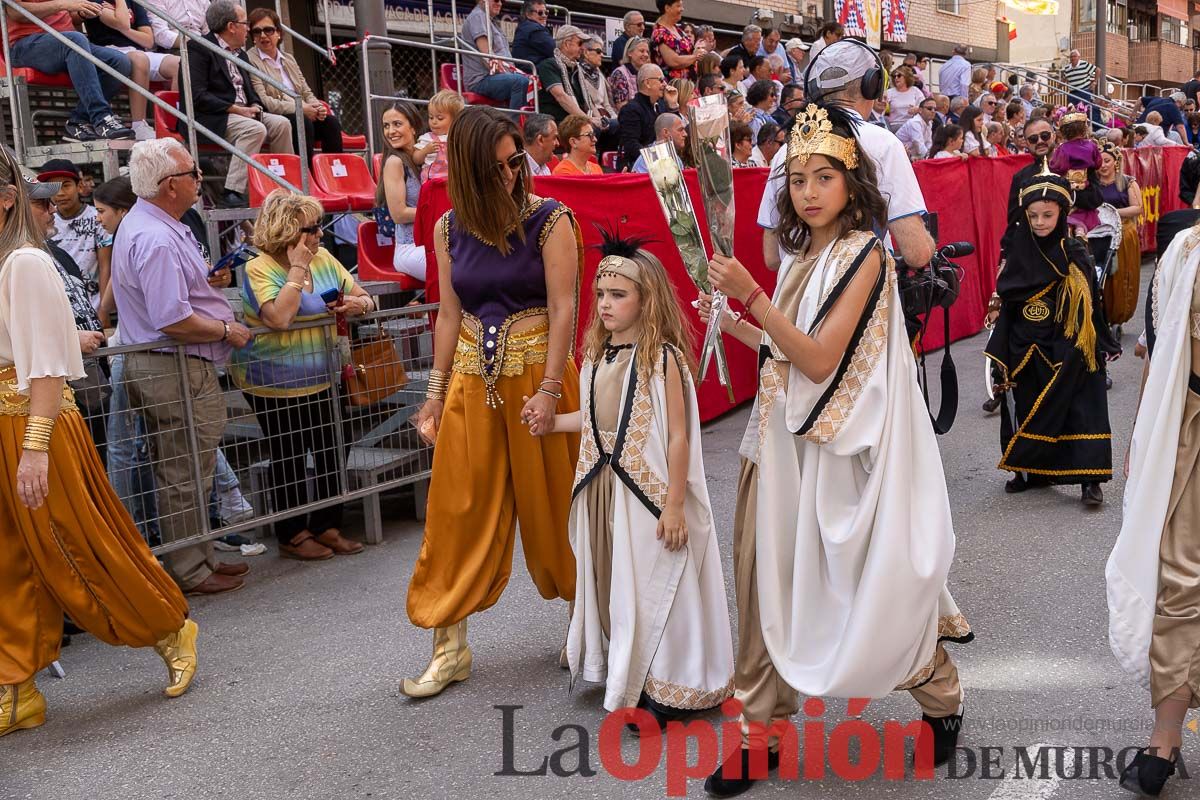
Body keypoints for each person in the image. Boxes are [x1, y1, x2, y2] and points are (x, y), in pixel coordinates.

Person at [701, 104, 969, 796]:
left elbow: (819, 362)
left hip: (839, 454)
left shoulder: (865, 255)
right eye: (796, 179)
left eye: (824, 176)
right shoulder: (807, 255)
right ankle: (760, 736)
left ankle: (939, 693)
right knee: (760, 590)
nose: (809, 192)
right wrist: (726, 319)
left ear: (854, 183)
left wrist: (752, 297)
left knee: (861, 593)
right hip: (775, 447)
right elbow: (780, 352)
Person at [0, 145, 199, 739]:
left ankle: (168, 627)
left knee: (78, 546)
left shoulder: (24, 264)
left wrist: (35, 445)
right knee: (6, 560)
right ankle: (16, 685)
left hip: (33, 423)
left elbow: (46, 366)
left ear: (7, 196)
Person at [402, 107, 582, 698]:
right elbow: (449, 314)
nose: (510, 175)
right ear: (468, 170)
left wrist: (553, 388)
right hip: (471, 383)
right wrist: (432, 395)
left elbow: (564, 309)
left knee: (559, 502)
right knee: (455, 507)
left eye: (514, 163)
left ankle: (588, 621)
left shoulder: (552, 220)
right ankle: (448, 642)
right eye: (496, 167)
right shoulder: (449, 228)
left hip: (539, 378)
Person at [538, 230, 734, 728]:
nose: (605, 304)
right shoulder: (598, 357)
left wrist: (673, 505)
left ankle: (670, 685)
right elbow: (596, 421)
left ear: (647, 301)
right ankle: (631, 676)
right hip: (605, 488)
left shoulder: (661, 357)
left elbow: (676, 437)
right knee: (616, 582)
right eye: (601, 295)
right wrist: (551, 422)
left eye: (618, 295)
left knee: (654, 581)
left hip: (648, 494)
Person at [111, 138, 254, 596]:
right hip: (169, 365)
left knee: (189, 467)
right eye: (194, 172)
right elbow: (173, 319)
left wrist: (205, 284)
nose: (200, 179)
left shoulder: (155, 225)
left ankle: (200, 555)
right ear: (170, 185)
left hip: (169, 364)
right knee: (182, 470)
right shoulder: (154, 236)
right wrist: (226, 330)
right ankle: (190, 568)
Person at [1107, 215, 1200, 799]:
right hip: (1191, 430)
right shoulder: (1185, 249)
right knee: (1180, 583)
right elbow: (1160, 353)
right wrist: (1145, 439)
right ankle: (1165, 738)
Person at [231, 190, 373, 561]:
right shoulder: (257, 268)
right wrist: (296, 270)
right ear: (288, 231)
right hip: (274, 384)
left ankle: (327, 524)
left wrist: (355, 303)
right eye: (312, 229)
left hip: (325, 376)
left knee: (333, 449)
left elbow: (365, 297)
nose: (320, 236)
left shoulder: (324, 259)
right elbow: (278, 318)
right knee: (289, 455)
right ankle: (292, 533)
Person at [985, 166, 1118, 506]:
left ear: (1061, 213)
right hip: (1026, 343)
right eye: (1033, 216)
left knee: (1081, 405)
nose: (1040, 221)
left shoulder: (1074, 254)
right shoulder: (1018, 252)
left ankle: (1090, 479)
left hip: (1069, 344)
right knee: (1027, 401)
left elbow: (1090, 307)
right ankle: (1028, 470)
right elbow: (1010, 300)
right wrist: (1003, 351)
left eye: (1047, 214)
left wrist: (1093, 342)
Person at [759, 40, 934, 272]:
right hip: (864, 298)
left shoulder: (786, 150)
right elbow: (916, 252)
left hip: (793, 299)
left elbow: (772, 257)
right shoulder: (884, 144)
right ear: (872, 85)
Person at [185, 0, 294, 209]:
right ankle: (232, 191)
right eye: (246, 23)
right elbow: (197, 96)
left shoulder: (240, 53)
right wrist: (236, 109)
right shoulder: (199, 48)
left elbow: (251, 92)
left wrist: (254, 105)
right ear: (231, 26)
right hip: (213, 115)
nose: (249, 29)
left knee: (282, 124)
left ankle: (280, 186)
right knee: (254, 129)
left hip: (242, 113)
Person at [7, 0, 135, 141]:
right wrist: (64, 4)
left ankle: (78, 121)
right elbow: (15, 12)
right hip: (26, 45)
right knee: (75, 40)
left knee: (120, 61)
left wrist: (82, 13)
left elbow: (65, 14)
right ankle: (101, 117)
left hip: (66, 42)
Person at [245, 8, 343, 166]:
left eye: (268, 30)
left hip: (302, 111)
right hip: (277, 116)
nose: (263, 35)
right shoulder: (250, 59)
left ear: (278, 33)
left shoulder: (288, 59)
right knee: (302, 122)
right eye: (257, 32)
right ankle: (306, 177)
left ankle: (333, 177)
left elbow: (305, 90)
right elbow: (264, 101)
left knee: (331, 123)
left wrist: (317, 107)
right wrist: (300, 108)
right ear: (253, 37)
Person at [84, 0, 180, 141]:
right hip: (109, 52)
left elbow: (148, 40)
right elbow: (123, 23)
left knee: (179, 64)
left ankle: (172, 123)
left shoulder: (134, 2)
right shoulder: (96, 1)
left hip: (137, 51)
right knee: (140, 59)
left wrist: (123, 26)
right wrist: (123, 20)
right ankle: (138, 125)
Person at [35, 159, 112, 321]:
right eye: (52, 188)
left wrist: (103, 312)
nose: (60, 193)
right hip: (58, 309)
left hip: (92, 307)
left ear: (79, 186)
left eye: (66, 185)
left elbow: (106, 266)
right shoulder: (44, 220)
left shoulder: (96, 218)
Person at [373, 102, 427, 280]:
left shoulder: (429, 158)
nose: (390, 131)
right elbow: (399, 214)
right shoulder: (394, 162)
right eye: (386, 126)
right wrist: (438, 212)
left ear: (413, 127)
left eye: (397, 124)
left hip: (436, 242)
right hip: (409, 248)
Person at [1095, 140, 1143, 330]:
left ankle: (1118, 315)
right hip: (1098, 233)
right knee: (1100, 274)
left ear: (1116, 162)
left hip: (1122, 232)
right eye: (1100, 161)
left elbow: (1137, 207)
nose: (1103, 165)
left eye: (1107, 161)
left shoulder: (1127, 182)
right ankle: (1101, 313)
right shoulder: (1092, 183)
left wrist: (1112, 212)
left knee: (1120, 276)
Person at [461, 0, 531, 111]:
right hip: (481, 79)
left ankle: (527, 122)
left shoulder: (491, 20)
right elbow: (488, 58)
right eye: (496, 0)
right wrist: (512, 75)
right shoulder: (478, 16)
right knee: (520, 82)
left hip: (494, 76)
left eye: (502, 1)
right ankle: (515, 124)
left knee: (533, 82)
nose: (500, 4)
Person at [618, 64, 668, 171]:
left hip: (663, 166)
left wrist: (673, 106)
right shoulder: (630, 110)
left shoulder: (662, 106)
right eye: (661, 80)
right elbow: (631, 145)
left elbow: (673, 133)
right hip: (640, 169)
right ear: (647, 83)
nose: (665, 84)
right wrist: (656, 160)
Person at [535, 25, 588, 123]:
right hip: (557, 122)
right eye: (580, 43)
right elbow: (561, 96)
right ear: (567, 44)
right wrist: (587, 120)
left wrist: (599, 120)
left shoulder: (577, 69)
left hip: (576, 120)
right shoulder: (549, 65)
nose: (583, 48)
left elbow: (588, 101)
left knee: (612, 126)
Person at [576, 35, 618, 149]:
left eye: (602, 52)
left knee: (620, 125)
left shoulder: (600, 75)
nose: (602, 55)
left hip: (604, 114)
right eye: (598, 51)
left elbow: (606, 104)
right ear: (586, 53)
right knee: (595, 128)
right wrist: (599, 119)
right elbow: (586, 102)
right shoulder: (577, 73)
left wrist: (615, 118)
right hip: (588, 115)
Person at [413, 90, 464, 184]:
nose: (434, 122)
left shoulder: (459, 138)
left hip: (453, 184)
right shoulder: (427, 138)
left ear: (455, 119)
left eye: (440, 118)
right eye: (431, 117)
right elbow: (416, 159)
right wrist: (425, 151)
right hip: (432, 184)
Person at [651, 0, 705, 82]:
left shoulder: (679, 30)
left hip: (688, 87)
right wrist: (695, 57)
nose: (682, 9)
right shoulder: (660, 32)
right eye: (678, 6)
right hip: (673, 88)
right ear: (667, 8)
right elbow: (673, 61)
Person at [609, 37, 651, 114]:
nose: (646, 55)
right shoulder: (619, 74)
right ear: (629, 53)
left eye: (647, 52)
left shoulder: (647, 74)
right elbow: (622, 107)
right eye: (642, 51)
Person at [511, 0, 554, 70]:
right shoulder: (533, 29)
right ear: (528, 14)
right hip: (530, 71)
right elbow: (554, 49)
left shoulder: (525, 26)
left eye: (546, 13)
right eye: (540, 13)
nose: (544, 16)